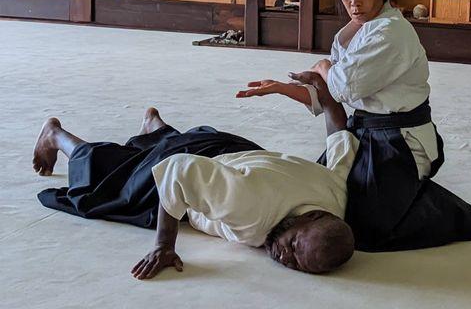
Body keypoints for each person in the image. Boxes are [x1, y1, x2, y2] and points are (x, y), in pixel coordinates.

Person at [237, 0, 471, 251]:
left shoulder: (392, 32)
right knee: (324, 196)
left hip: (398, 141)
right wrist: (281, 88)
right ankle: (401, 195)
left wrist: (323, 66)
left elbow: (343, 86)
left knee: (364, 229)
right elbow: (329, 93)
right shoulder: (353, 33)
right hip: (365, 133)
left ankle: (455, 214)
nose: (353, 1)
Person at [34, 88, 357, 279]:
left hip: (231, 149)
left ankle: (154, 126)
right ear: (311, 217)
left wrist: (328, 100)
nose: (286, 257)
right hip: (201, 159)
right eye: (293, 245)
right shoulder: (248, 205)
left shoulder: (335, 196)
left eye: (299, 264)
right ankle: (57, 135)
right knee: (114, 188)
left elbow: (341, 142)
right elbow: (176, 170)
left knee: (173, 159)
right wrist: (164, 245)